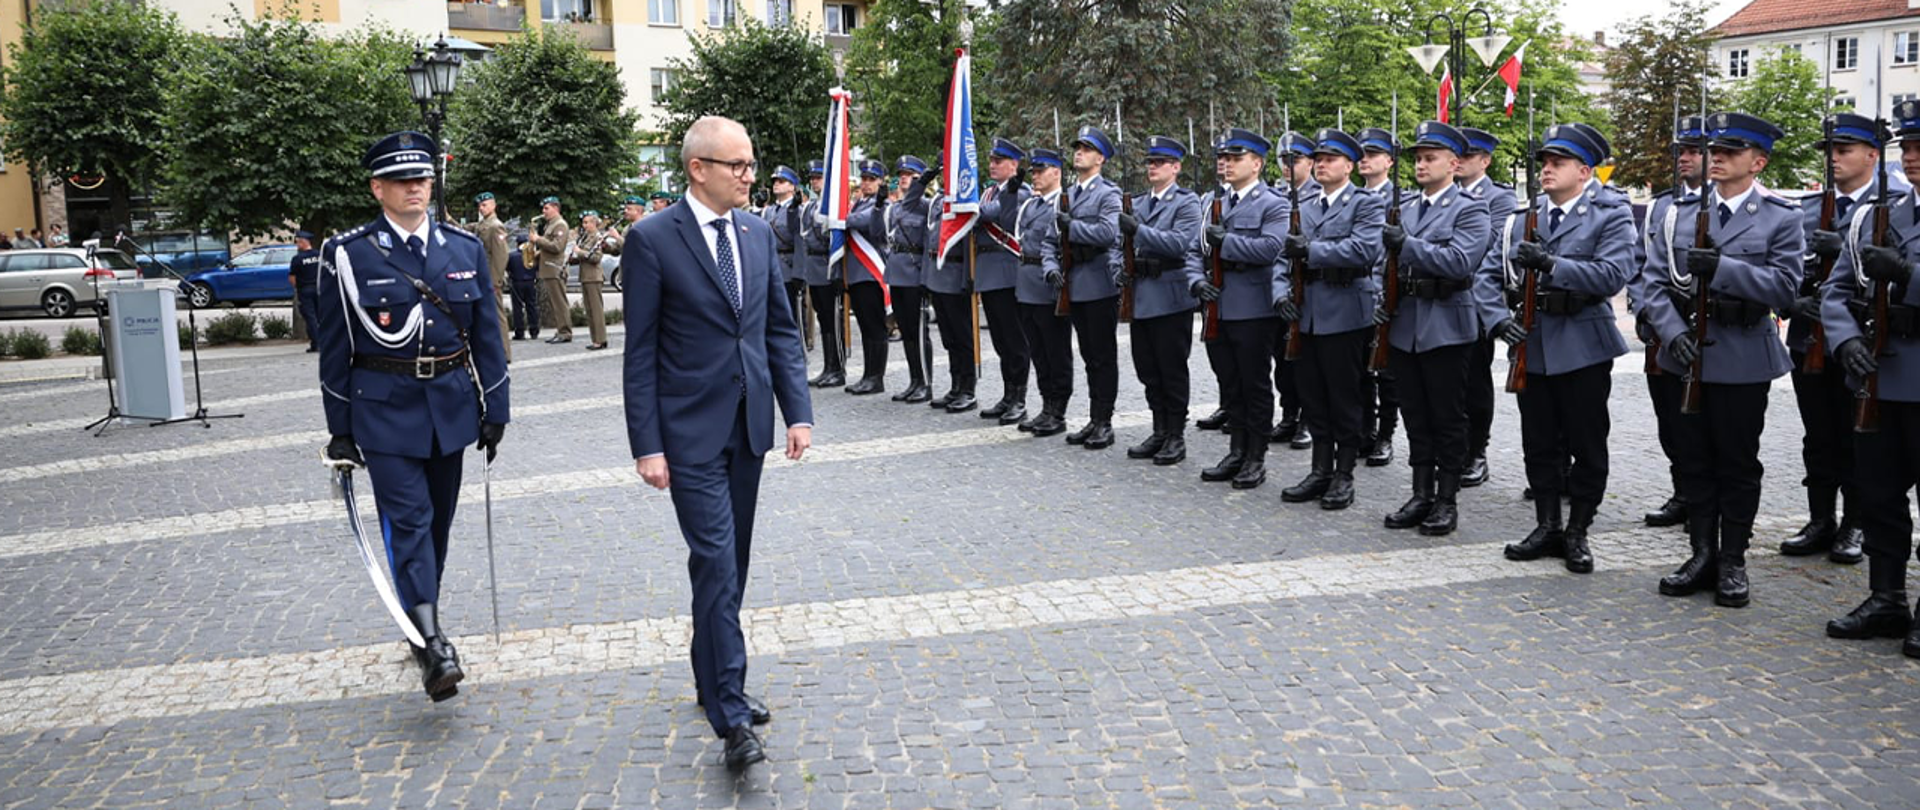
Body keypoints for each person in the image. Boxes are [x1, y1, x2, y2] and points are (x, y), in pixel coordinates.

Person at [622, 116, 814, 769]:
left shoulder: (756, 234)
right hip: (687, 434)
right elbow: (640, 352)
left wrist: (797, 412)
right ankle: (730, 715)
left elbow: (779, 332)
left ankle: (711, 680)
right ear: (697, 168)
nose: (749, 176)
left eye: (751, 164)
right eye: (737, 165)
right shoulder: (652, 239)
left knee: (731, 563)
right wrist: (647, 445)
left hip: (748, 426)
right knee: (717, 562)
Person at [315, 130, 510, 702]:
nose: (414, 189)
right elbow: (335, 349)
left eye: (421, 179)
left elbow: (487, 335)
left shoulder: (463, 247)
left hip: (450, 406)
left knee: (438, 525)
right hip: (384, 411)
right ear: (378, 189)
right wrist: (340, 430)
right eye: (401, 181)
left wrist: (496, 408)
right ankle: (432, 644)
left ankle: (421, 615)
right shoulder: (349, 254)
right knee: (408, 521)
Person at [1641, 112, 1801, 608]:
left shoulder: (1780, 216)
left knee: (1736, 462)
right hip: (1686, 354)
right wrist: (1671, 333)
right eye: (1716, 151)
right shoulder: (1681, 213)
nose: (1718, 159)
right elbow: (1652, 283)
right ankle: (1701, 552)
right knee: (1693, 461)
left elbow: (1786, 289)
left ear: (1758, 162)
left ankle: (1733, 558)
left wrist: (1724, 268)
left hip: (1743, 354)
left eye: (1731, 152)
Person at [1477, 122, 1636, 575]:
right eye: (1544, 162)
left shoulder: (1611, 214)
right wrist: (1497, 319)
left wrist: (1551, 263)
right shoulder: (1521, 219)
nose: (1547, 169)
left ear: (1584, 171)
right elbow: (1487, 275)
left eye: (1558, 162)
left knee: (1587, 443)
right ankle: (1547, 525)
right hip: (1534, 341)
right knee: (1539, 442)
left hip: (1583, 341)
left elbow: (1613, 274)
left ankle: (1578, 530)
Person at [1820, 98, 1920, 659]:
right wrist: (1845, 340)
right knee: (1879, 495)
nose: (1914, 157)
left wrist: (1908, 273)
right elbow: (1836, 291)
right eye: (1909, 146)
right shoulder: (1877, 216)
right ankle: (1886, 597)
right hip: (1879, 374)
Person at [1783, 112, 1893, 564]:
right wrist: (1792, 302)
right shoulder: (1808, 209)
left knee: (1857, 435)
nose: (1833, 159)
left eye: (1843, 150)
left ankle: (1855, 522)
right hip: (1810, 340)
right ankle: (1820, 518)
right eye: (1829, 151)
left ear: (1872, 155)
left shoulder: (1889, 207)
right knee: (1818, 436)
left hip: (1861, 341)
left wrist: (1846, 245)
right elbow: (1784, 268)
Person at [1376, 122, 1491, 536]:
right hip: (1405, 322)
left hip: (1446, 323)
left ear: (1454, 164)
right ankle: (1420, 493)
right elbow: (1381, 264)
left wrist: (1407, 245)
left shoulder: (1470, 209)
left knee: (1447, 416)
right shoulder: (1405, 208)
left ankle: (1446, 499)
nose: (1421, 165)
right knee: (1415, 414)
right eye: (1418, 159)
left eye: (1430, 158)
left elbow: (1460, 262)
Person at [1278, 128, 1385, 510]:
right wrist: (1280, 294)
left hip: (1345, 310)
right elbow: (1282, 259)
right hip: (1307, 312)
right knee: (1313, 395)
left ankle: (1344, 474)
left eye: (1330, 159)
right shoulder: (1305, 207)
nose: (1321, 164)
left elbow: (1364, 249)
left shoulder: (1365, 203)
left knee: (1344, 397)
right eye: (1318, 159)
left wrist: (1312, 249)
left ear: (1350, 166)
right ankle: (1320, 469)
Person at [1185, 129, 1288, 487]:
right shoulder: (1213, 202)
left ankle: (1255, 456)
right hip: (1216, 304)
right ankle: (1236, 450)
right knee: (1229, 383)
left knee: (1254, 384)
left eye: (1235, 158)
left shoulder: (1273, 204)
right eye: (1224, 158)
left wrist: (1227, 241)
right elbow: (1194, 249)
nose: (1226, 164)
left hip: (1253, 308)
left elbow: (1272, 248)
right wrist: (1195, 281)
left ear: (1257, 164)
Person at [1629, 119, 1703, 529]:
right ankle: (1684, 491)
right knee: (1669, 419)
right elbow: (1641, 264)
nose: (1684, 159)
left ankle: (1705, 500)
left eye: (1694, 151)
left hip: (1703, 328)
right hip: (1662, 327)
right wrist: (1643, 310)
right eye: (1681, 152)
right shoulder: (1662, 206)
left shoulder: (1718, 204)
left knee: (1702, 419)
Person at [1120, 135, 1202, 465]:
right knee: (1147, 369)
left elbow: (1180, 243)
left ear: (1176, 167)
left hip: (1170, 295)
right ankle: (1159, 429)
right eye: (1150, 162)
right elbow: (1118, 246)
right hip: (1141, 294)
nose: (1152, 167)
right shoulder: (1138, 203)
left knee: (1172, 368)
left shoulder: (1186, 202)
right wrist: (1118, 268)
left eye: (1160, 163)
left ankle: (1176, 435)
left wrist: (1138, 230)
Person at [1044, 126, 1125, 449]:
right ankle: (1094, 418)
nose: (1079, 153)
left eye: (1087, 149)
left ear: (1100, 158)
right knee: (1089, 355)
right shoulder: (1068, 195)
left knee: (1103, 356)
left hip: (1099, 282)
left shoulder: (1108, 194)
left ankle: (1104, 421)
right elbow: (1050, 238)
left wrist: (1073, 226)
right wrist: (1051, 267)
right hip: (1074, 282)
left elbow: (1109, 233)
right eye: (1078, 148)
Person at [1454, 127, 1513, 487]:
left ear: (1485, 161)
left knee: (1475, 382)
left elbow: (1490, 247)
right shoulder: (1440, 195)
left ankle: (1477, 451)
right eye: (1456, 155)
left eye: (1468, 155)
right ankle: (1454, 450)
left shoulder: (1499, 198)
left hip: (1476, 303)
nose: (1459, 161)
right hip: (1443, 302)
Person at [974, 139, 1035, 424]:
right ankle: (1008, 394)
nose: (992, 165)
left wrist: (969, 210)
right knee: (1000, 340)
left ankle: (1019, 398)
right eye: (991, 160)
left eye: (998, 161)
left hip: (1007, 272)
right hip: (988, 271)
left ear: (1014, 165)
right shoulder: (988, 192)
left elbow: (996, 214)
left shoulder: (1020, 192)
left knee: (1015, 340)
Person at [1016, 148, 1074, 436]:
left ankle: (1058, 411)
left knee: (1056, 350)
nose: (1035, 176)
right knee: (1038, 351)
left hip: (1049, 285)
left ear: (1056, 172)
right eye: (1034, 172)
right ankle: (1046, 405)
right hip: (1027, 284)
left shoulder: (1064, 204)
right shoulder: (1030, 205)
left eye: (1040, 171)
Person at [1269, 131, 1320, 452]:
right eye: (1284, 160)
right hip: (1282, 290)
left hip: (1309, 289)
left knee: (1306, 361)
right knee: (1282, 358)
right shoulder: (1275, 196)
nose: (1288, 165)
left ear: (1310, 163)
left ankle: (1308, 419)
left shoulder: (1319, 195)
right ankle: (1289, 413)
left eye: (1295, 160)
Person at [1356, 127, 1403, 468]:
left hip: (1386, 291)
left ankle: (1385, 435)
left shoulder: (1400, 200)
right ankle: (1363, 430)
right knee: (1360, 369)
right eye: (1361, 154)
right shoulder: (1353, 198)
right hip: (1356, 293)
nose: (1365, 160)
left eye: (1372, 154)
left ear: (1389, 161)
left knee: (1386, 371)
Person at [881, 158, 934, 403]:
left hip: (914, 273)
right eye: (901, 174)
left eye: (910, 174)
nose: (903, 177)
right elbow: (878, 231)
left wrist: (925, 278)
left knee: (918, 331)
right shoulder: (894, 208)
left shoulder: (925, 206)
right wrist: (878, 205)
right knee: (907, 332)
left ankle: (926, 382)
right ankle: (914, 380)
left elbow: (928, 243)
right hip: (897, 273)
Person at [841, 159, 893, 394]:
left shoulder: (881, 204)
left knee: (875, 327)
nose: (866, 183)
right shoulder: (857, 203)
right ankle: (867, 374)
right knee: (865, 327)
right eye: (864, 179)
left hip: (872, 274)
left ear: (881, 182)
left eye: (872, 179)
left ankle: (876, 378)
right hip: (856, 274)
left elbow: (867, 222)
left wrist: (842, 219)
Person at [801, 161, 845, 386]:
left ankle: (838, 368)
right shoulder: (810, 206)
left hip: (828, 266)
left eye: (818, 178)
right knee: (823, 319)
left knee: (833, 318)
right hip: (814, 268)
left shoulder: (833, 206)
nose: (814, 182)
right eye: (812, 178)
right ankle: (828, 367)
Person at [761, 167, 809, 355]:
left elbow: (800, 240)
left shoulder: (798, 210)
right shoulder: (769, 211)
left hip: (789, 268)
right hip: (771, 268)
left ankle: (798, 355)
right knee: (774, 316)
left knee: (793, 317)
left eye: (781, 181)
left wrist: (799, 272)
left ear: (792, 187)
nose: (776, 185)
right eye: (775, 181)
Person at [471, 192, 513, 362]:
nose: (481, 208)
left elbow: (501, 255)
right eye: (480, 206)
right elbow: (467, 229)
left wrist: (496, 280)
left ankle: (504, 352)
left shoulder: (496, 226)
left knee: (497, 314)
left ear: (494, 206)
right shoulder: (483, 224)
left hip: (491, 277)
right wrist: (449, 218)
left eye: (485, 205)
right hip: (483, 275)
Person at [530, 196, 573, 343]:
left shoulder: (560, 225)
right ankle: (560, 329)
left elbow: (557, 247)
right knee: (555, 303)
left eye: (546, 208)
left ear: (555, 208)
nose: (543, 211)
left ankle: (565, 332)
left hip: (555, 268)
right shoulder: (551, 224)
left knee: (560, 302)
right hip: (549, 268)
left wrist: (538, 239)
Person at [572, 211, 612, 350]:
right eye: (583, 222)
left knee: (596, 310)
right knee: (589, 310)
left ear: (594, 223)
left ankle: (600, 339)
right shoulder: (586, 237)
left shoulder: (597, 237)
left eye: (587, 222)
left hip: (593, 277)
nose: (584, 225)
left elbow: (596, 258)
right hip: (585, 276)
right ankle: (595, 339)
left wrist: (579, 252)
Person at [287, 230, 322, 353]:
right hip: (320, 289)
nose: (297, 245)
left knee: (310, 318)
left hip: (305, 290)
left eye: (298, 242)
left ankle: (317, 344)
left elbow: (292, 278)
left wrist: (298, 287)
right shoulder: (319, 255)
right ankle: (324, 343)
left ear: (303, 242)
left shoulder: (297, 258)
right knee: (321, 317)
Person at [507, 231, 540, 340]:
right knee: (532, 306)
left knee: (517, 308)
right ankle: (534, 330)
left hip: (517, 282)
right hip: (530, 282)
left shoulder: (512, 256)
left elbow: (508, 268)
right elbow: (537, 268)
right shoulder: (532, 255)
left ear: (517, 244)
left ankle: (519, 331)